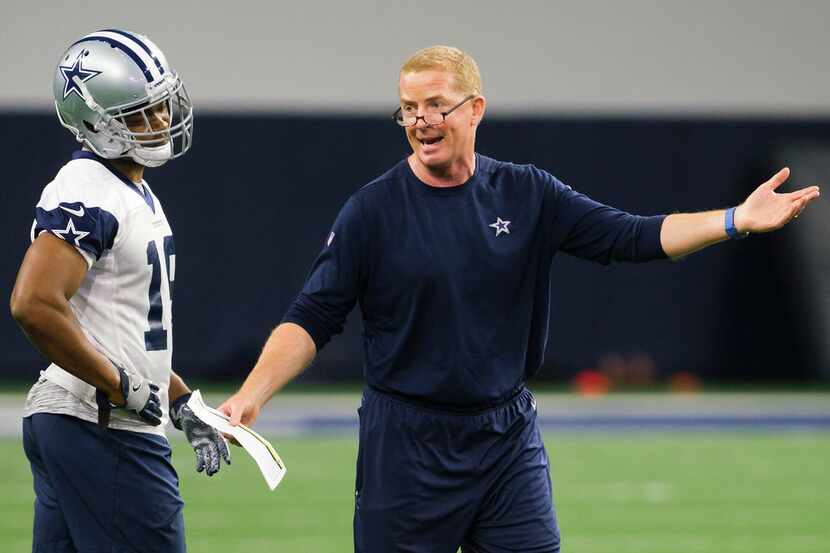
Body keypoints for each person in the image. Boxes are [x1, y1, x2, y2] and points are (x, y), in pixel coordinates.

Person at [219, 45, 820, 552]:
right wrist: (252, 395)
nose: (421, 120)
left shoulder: (528, 192)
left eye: (435, 105)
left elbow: (632, 236)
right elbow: (313, 315)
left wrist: (737, 218)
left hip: (506, 438)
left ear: (475, 109)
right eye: (408, 109)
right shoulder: (372, 211)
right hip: (406, 446)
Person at [10, 29, 230, 553]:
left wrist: (178, 399)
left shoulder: (129, 187)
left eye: (160, 107)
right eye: (138, 114)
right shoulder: (88, 187)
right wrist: (119, 387)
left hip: (87, 420)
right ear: (96, 124)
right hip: (100, 425)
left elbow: (120, 326)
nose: (159, 122)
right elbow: (34, 304)